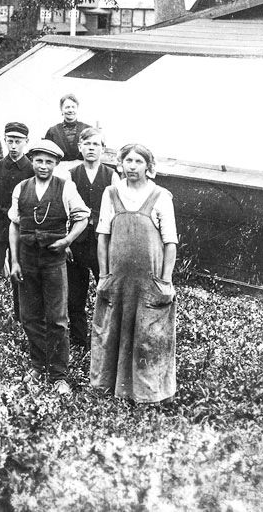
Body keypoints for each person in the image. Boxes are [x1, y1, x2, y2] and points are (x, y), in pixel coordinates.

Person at [90, 143, 178, 403]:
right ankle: (108, 388)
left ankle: (147, 394)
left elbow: (170, 242)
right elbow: (103, 237)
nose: (132, 166)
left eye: (138, 161)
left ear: (148, 167)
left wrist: (165, 281)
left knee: (148, 338)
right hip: (117, 281)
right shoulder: (111, 193)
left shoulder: (160, 196)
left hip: (148, 283)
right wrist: (104, 275)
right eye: (128, 160)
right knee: (109, 332)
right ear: (121, 164)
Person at [8, 139, 89, 394]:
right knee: (29, 316)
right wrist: (14, 260)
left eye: (49, 162)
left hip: (54, 262)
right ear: (32, 161)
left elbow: (82, 218)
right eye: (39, 161)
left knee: (57, 319)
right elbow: (14, 224)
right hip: (27, 261)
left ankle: (58, 375)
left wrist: (66, 240)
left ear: (56, 164)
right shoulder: (21, 188)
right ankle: (37, 365)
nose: (43, 166)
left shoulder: (66, 188)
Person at [66, 128, 119, 350]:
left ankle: (105, 339)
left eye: (96, 144)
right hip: (77, 242)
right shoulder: (71, 174)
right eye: (87, 144)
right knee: (75, 296)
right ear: (80, 147)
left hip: (101, 242)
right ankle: (79, 340)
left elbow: (117, 211)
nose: (91, 148)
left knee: (106, 290)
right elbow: (64, 207)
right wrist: (66, 240)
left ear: (103, 149)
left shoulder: (111, 175)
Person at [0, 122, 34, 288]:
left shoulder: (31, 169)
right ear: (5, 140)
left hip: (20, 227)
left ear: (26, 141)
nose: (13, 146)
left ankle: (20, 313)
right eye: (10, 141)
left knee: (20, 273)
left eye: (18, 141)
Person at [44, 94, 92, 162]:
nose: (70, 110)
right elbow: (47, 156)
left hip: (83, 170)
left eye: (73, 107)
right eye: (67, 107)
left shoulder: (88, 130)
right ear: (61, 109)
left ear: (77, 109)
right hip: (59, 170)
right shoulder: (52, 131)